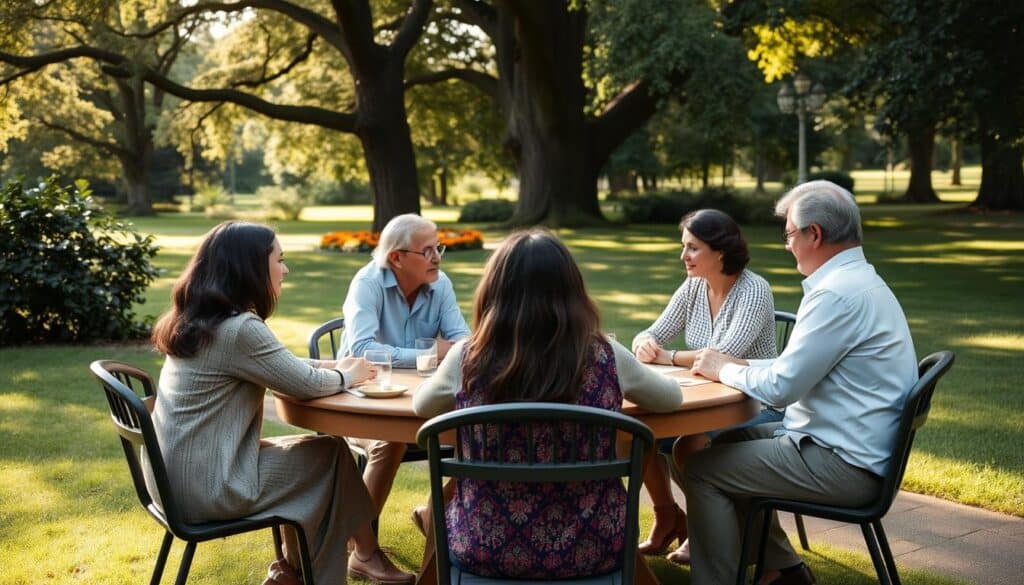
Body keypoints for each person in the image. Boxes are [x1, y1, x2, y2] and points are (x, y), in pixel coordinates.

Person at [147, 221, 415, 585]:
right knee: (329, 459)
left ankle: (297, 571)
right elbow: (303, 384)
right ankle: (335, 565)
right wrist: (348, 376)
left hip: (173, 480)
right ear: (252, 267)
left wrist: (336, 365)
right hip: (209, 486)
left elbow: (282, 365)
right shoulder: (240, 328)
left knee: (324, 453)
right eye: (280, 259)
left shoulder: (201, 321)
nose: (285, 269)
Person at [413, 229, 682, 579]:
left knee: (441, 508)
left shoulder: (467, 357)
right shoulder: (605, 354)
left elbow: (422, 407)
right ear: (572, 289)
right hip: (594, 545)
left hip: (486, 544)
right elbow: (671, 399)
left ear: (495, 291)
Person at [685, 181, 918, 585]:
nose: (787, 244)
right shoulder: (861, 282)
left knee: (701, 468)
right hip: (851, 448)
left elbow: (781, 389)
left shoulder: (835, 295)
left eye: (790, 234)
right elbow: (797, 368)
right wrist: (739, 364)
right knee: (725, 441)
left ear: (815, 234)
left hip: (845, 465)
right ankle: (784, 571)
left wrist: (723, 368)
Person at [631, 208, 778, 564]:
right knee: (640, 432)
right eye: (684, 247)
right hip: (704, 401)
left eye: (693, 248)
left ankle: (706, 532)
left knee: (690, 442)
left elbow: (721, 358)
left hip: (756, 406)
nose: (684, 256)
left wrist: (668, 356)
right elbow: (652, 332)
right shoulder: (695, 285)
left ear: (721, 251)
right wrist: (643, 343)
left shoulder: (753, 290)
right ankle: (667, 516)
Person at [339, 214, 471, 529]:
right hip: (360, 405)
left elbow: (464, 345)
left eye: (439, 248)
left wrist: (447, 351)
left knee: (477, 433)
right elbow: (362, 351)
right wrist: (431, 353)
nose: (437, 257)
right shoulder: (367, 283)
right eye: (427, 251)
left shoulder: (441, 285)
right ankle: (363, 551)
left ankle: (431, 516)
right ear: (396, 258)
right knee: (389, 441)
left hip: (420, 405)